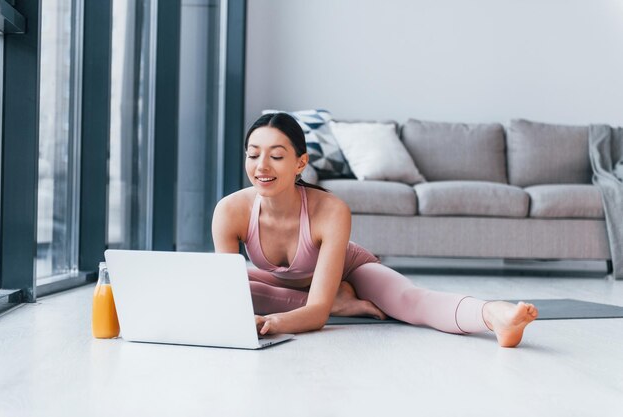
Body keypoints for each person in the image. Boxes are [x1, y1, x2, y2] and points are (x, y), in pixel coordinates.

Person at [212, 112, 538, 348]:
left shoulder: (330, 210)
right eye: (253, 155)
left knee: (410, 300)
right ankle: (340, 302)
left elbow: (316, 315)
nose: (262, 167)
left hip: (352, 269)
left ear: (300, 163)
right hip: (291, 284)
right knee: (232, 284)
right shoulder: (230, 211)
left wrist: (272, 322)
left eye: (277, 156)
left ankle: (493, 315)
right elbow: (227, 296)